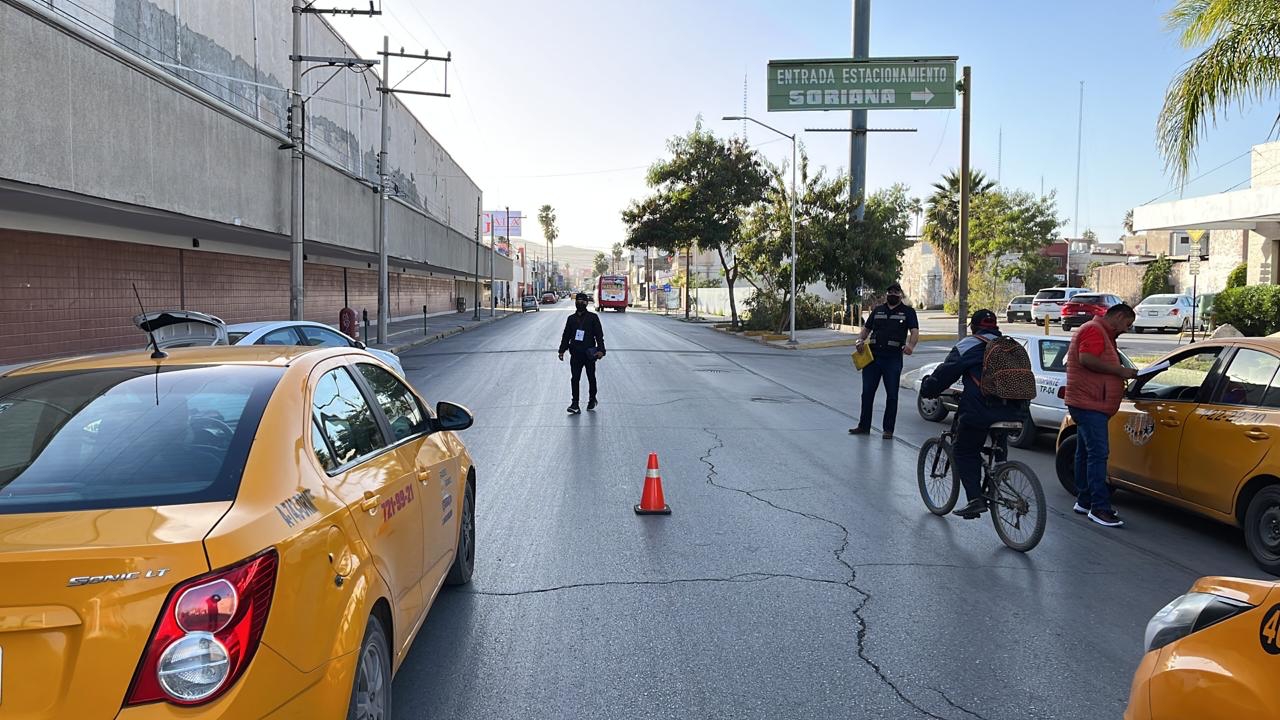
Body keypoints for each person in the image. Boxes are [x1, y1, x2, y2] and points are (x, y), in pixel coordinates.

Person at [920, 310, 1030, 518]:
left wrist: (928, 389)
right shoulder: (1011, 346)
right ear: (996, 326)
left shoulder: (968, 345)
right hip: (1016, 411)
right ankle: (1000, 467)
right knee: (997, 434)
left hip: (981, 410)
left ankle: (975, 499)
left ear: (973, 327)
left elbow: (945, 373)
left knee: (963, 450)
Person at [1065, 303, 1137, 528]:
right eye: (1127, 324)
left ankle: (1085, 500)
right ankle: (1099, 508)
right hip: (1090, 403)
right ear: (1118, 316)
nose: (1126, 329)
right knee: (1098, 453)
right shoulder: (1094, 330)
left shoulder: (1101, 332)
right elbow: (1086, 358)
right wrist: (1119, 371)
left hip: (1091, 402)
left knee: (1086, 453)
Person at [849, 282, 919, 439]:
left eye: (896, 292)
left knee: (892, 395)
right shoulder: (878, 311)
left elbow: (914, 332)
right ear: (886, 294)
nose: (892, 294)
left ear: (901, 294)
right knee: (867, 393)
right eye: (890, 292)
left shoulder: (908, 312)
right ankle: (863, 426)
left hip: (893, 358)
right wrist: (859, 341)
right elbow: (866, 330)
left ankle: (888, 430)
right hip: (873, 358)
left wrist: (911, 346)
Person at [558, 292, 606, 414]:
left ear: (586, 303)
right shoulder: (571, 319)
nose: (580, 303)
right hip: (575, 354)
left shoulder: (593, 318)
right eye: (578, 301)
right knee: (575, 379)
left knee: (591, 377)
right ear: (575, 303)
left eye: (583, 301)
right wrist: (562, 350)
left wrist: (601, 350)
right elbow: (566, 336)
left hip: (589, 354)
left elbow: (599, 336)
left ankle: (592, 398)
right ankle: (575, 403)